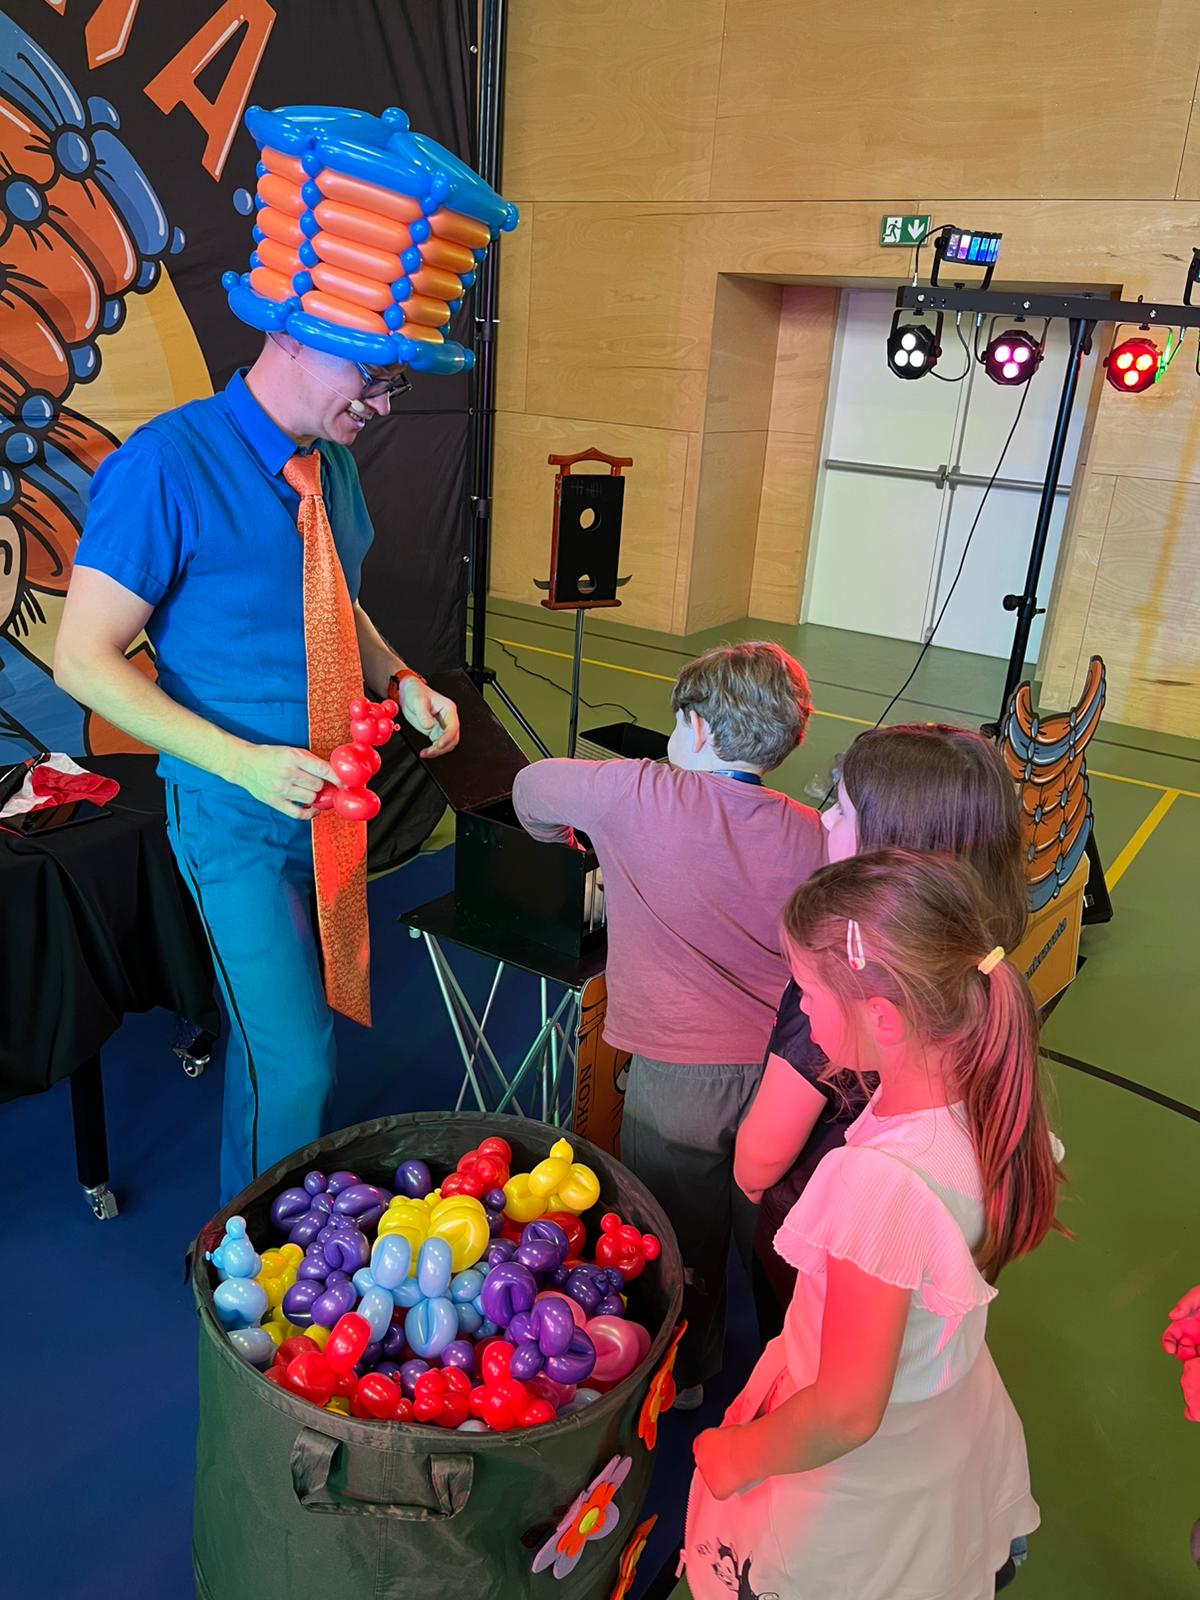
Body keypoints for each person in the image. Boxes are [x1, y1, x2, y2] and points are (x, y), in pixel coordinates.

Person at [56, 330, 460, 1203]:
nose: (383, 405)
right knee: (294, 1062)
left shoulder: (332, 465)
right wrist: (244, 765)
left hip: (331, 801)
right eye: (373, 378)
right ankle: (248, 1251)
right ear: (292, 338)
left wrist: (400, 678)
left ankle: (283, 1221)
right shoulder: (164, 465)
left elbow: (334, 597)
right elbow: (82, 659)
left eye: (394, 384)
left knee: (292, 1039)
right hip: (233, 814)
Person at [683, 849, 1063, 1600]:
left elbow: (846, 1410)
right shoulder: (985, 1101)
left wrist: (736, 1456)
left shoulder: (880, 1185)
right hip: (943, 1428)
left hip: (854, 1495)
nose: (802, 1011)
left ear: (883, 1018)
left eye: (807, 992)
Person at [512, 641, 825, 1405]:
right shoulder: (813, 830)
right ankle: (798, 1371)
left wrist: (567, 839)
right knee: (776, 1233)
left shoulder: (635, 792)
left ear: (697, 728)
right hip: (786, 1073)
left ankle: (685, 1375)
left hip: (678, 1076)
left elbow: (529, 790)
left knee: (675, 1231)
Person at [734, 724, 1028, 1333]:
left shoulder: (839, 984)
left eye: (842, 809)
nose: (824, 819)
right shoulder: (977, 960)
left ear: (892, 847)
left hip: (820, 1242)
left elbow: (756, 1163)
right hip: (920, 1242)